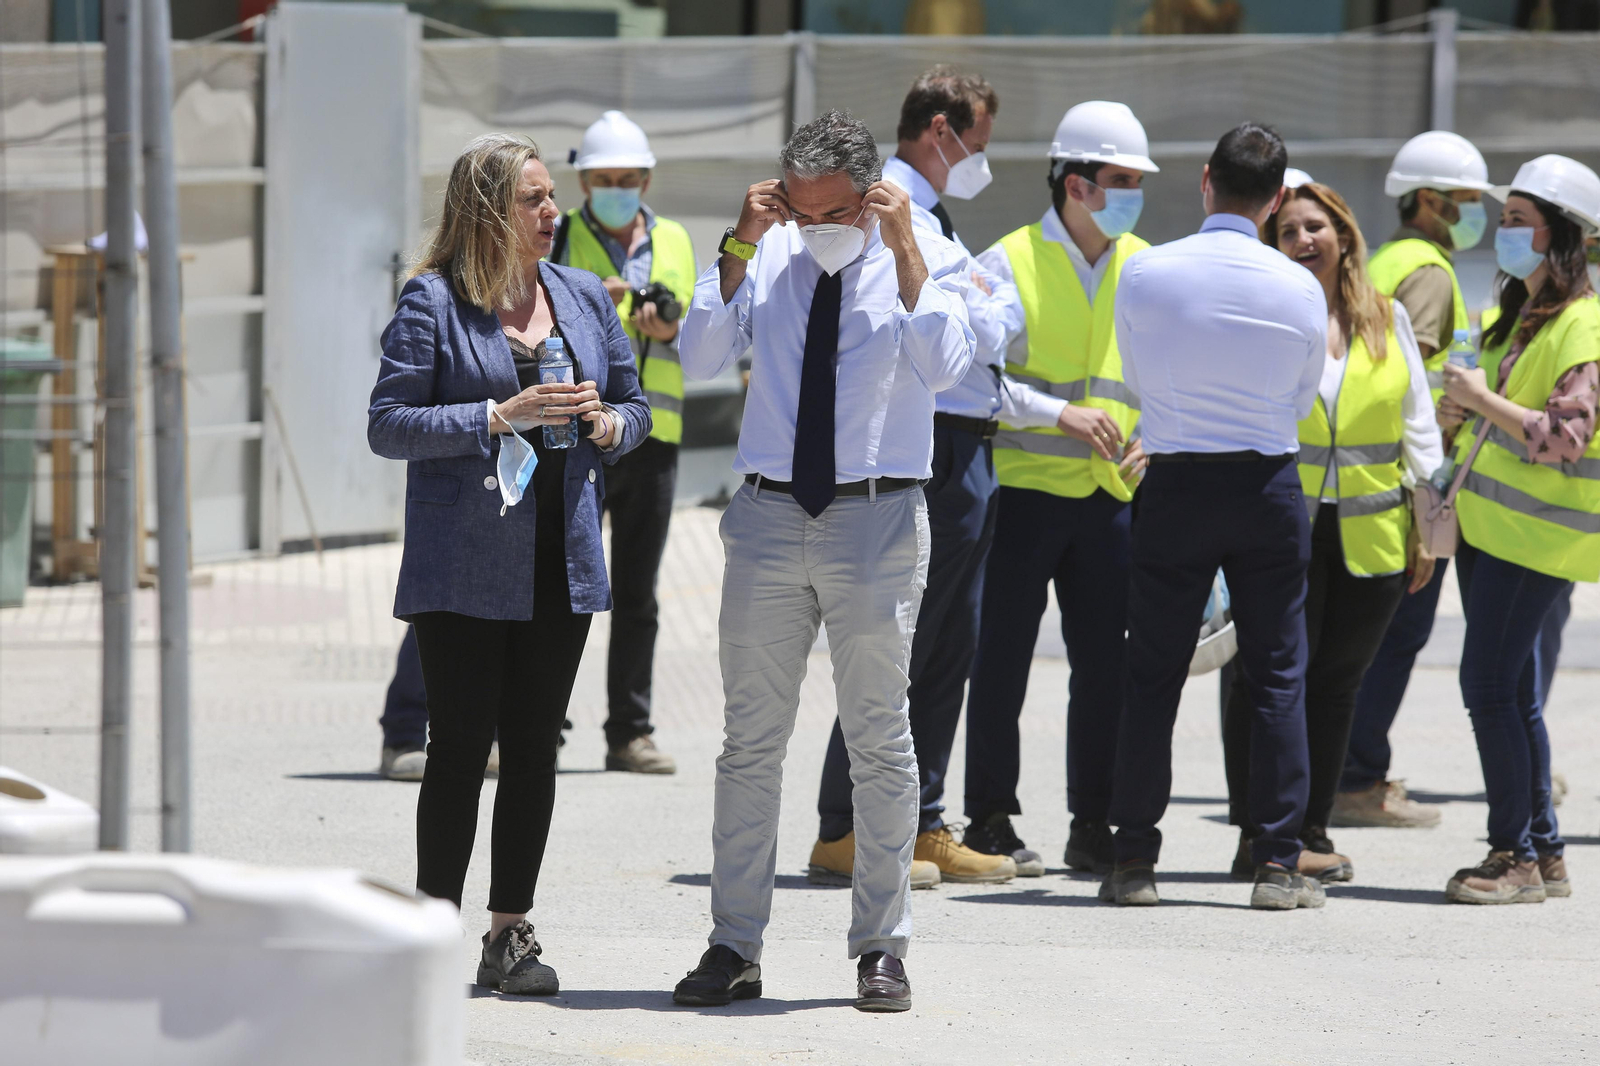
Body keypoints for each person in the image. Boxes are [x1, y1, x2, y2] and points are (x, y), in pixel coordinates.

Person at [673, 110, 976, 1012]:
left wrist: (907, 248)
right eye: (799, 212)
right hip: (769, 516)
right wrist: (738, 244)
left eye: (833, 213)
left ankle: (881, 946)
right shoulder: (766, 252)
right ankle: (734, 945)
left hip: (876, 519)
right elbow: (696, 356)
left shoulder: (919, 252)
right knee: (748, 744)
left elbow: (951, 365)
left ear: (872, 193)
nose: (816, 230)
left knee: (881, 740)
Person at [367, 133, 650, 994]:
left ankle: (508, 935)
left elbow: (636, 404)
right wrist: (497, 415)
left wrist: (606, 426)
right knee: (457, 753)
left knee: (535, 751)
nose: (552, 212)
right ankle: (426, 939)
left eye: (550, 197)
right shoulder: (432, 303)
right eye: (533, 199)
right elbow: (388, 425)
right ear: (488, 210)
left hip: (560, 560)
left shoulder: (581, 296)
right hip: (463, 567)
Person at [1106, 122, 1329, 912]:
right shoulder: (1301, 286)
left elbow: (1135, 376)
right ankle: (1275, 862)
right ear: (1274, 201)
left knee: (1152, 674)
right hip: (1267, 483)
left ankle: (1133, 858)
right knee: (1276, 676)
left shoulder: (1146, 273)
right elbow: (1305, 396)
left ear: (1206, 180)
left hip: (1175, 481)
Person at [808, 67, 1015, 889]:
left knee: (943, 650)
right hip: (927, 442)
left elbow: (986, 327)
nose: (980, 159)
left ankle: (921, 818)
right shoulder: (892, 213)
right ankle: (843, 824)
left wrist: (981, 312)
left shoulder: (932, 218)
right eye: (978, 143)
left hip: (967, 443)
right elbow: (974, 332)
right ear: (941, 130)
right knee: (895, 648)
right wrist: (980, 309)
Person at [1222, 181, 1443, 886]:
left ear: (1344, 235)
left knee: (1338, 685)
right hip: (1283, 530)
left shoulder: (1388, 317)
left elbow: (1419, 426)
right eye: (1288, 231)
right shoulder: (1267, 313)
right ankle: (1261, 831)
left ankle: (1310, 827)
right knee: (1270, 684)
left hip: (1372, 539)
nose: (1303, 240)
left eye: (1316, 227)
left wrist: (1427, 528)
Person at [961, 101, 1158, 878]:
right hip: (1023, 495)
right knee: (1000, 663)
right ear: (1076, 184)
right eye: (1121, 179)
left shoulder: (1146, 262)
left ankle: (1093, 825)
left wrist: (1159, 432)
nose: (1135, 192)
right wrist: (1058, 414)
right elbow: (975, 383)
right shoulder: (1004, 261)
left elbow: (1164, 372)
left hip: (1112, 498)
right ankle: (990, 819)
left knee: (1104, 670)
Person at [1437, 154, 1600, 905]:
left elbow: (1566, 436)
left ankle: (1514, 859)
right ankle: (1545, 848)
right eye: (1503, 221)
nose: (1503, 234)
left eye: (1517, 222)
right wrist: (1464, 408)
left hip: (1533, 541)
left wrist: (1481, 399)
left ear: (1560, 236)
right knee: (1515, 693)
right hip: (1495, 533)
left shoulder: (1582, 326)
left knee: (1492, 688)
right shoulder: (1524, 320)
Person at [1333, 131, 1495, 829]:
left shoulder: (1386, 257)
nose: (1476, 214)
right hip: (1405, 480)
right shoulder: (1428, 270)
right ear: (1429, 201)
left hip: (1366, 474)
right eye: (1465, 201)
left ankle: (1349, 766)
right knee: (1396, 634)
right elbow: (1416, 385)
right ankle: (1358, 777)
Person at [549, 111, 693, 775]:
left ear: (646, 178)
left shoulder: (678, 242)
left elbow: (687, 323)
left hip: (652, 439)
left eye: (627, 179)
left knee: (638, 594)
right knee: (555, 587)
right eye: (603, 179)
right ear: (582, 181)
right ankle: (539, 720)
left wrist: (662, 325)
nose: (616, 189)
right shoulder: (557, 236)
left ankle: (629, 732)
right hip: (573, 438)